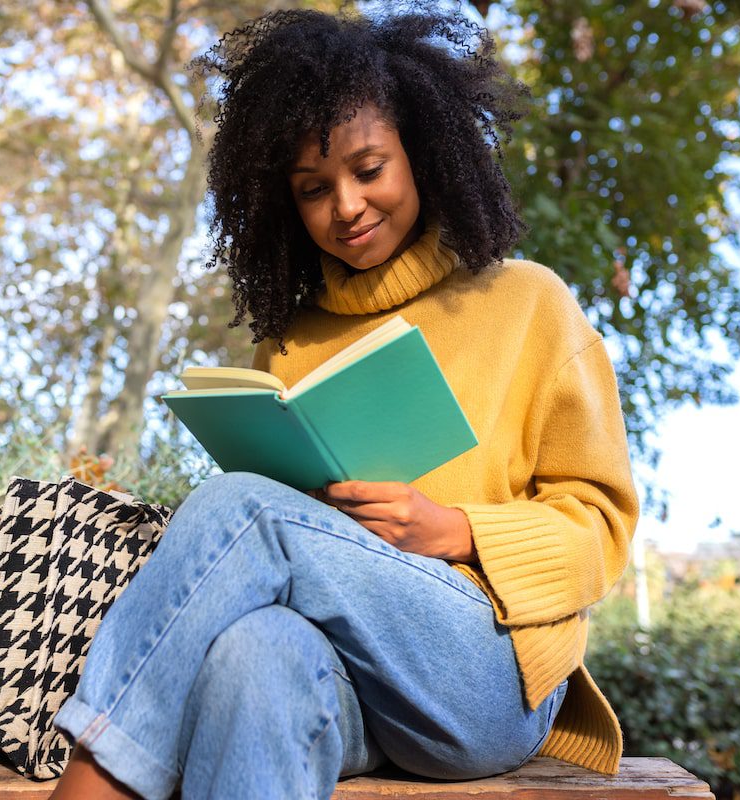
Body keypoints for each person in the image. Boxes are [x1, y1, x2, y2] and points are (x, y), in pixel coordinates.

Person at [48, 6, 639, 799]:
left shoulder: (528, 303)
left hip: (489, 672)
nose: (347, 206)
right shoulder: (290, 343)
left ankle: (93, 779)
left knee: (243, 509)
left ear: (422, 155)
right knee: (252, 655)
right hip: (348, 681)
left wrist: (458, 529)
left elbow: (602, 524)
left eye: (369, 169)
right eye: (312, 188)